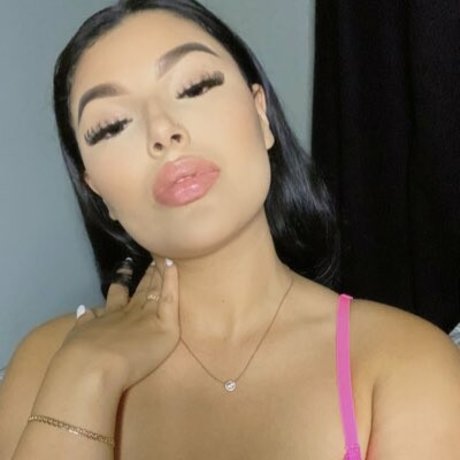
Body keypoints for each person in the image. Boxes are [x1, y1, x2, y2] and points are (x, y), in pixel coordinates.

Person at [0, 0, 459, 459]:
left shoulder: (405, 361)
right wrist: (87, 377)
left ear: (261, 116)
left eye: (195, 87)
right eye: (112, 125)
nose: (162, 131)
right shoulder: (50, 363)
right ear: (97, 191)